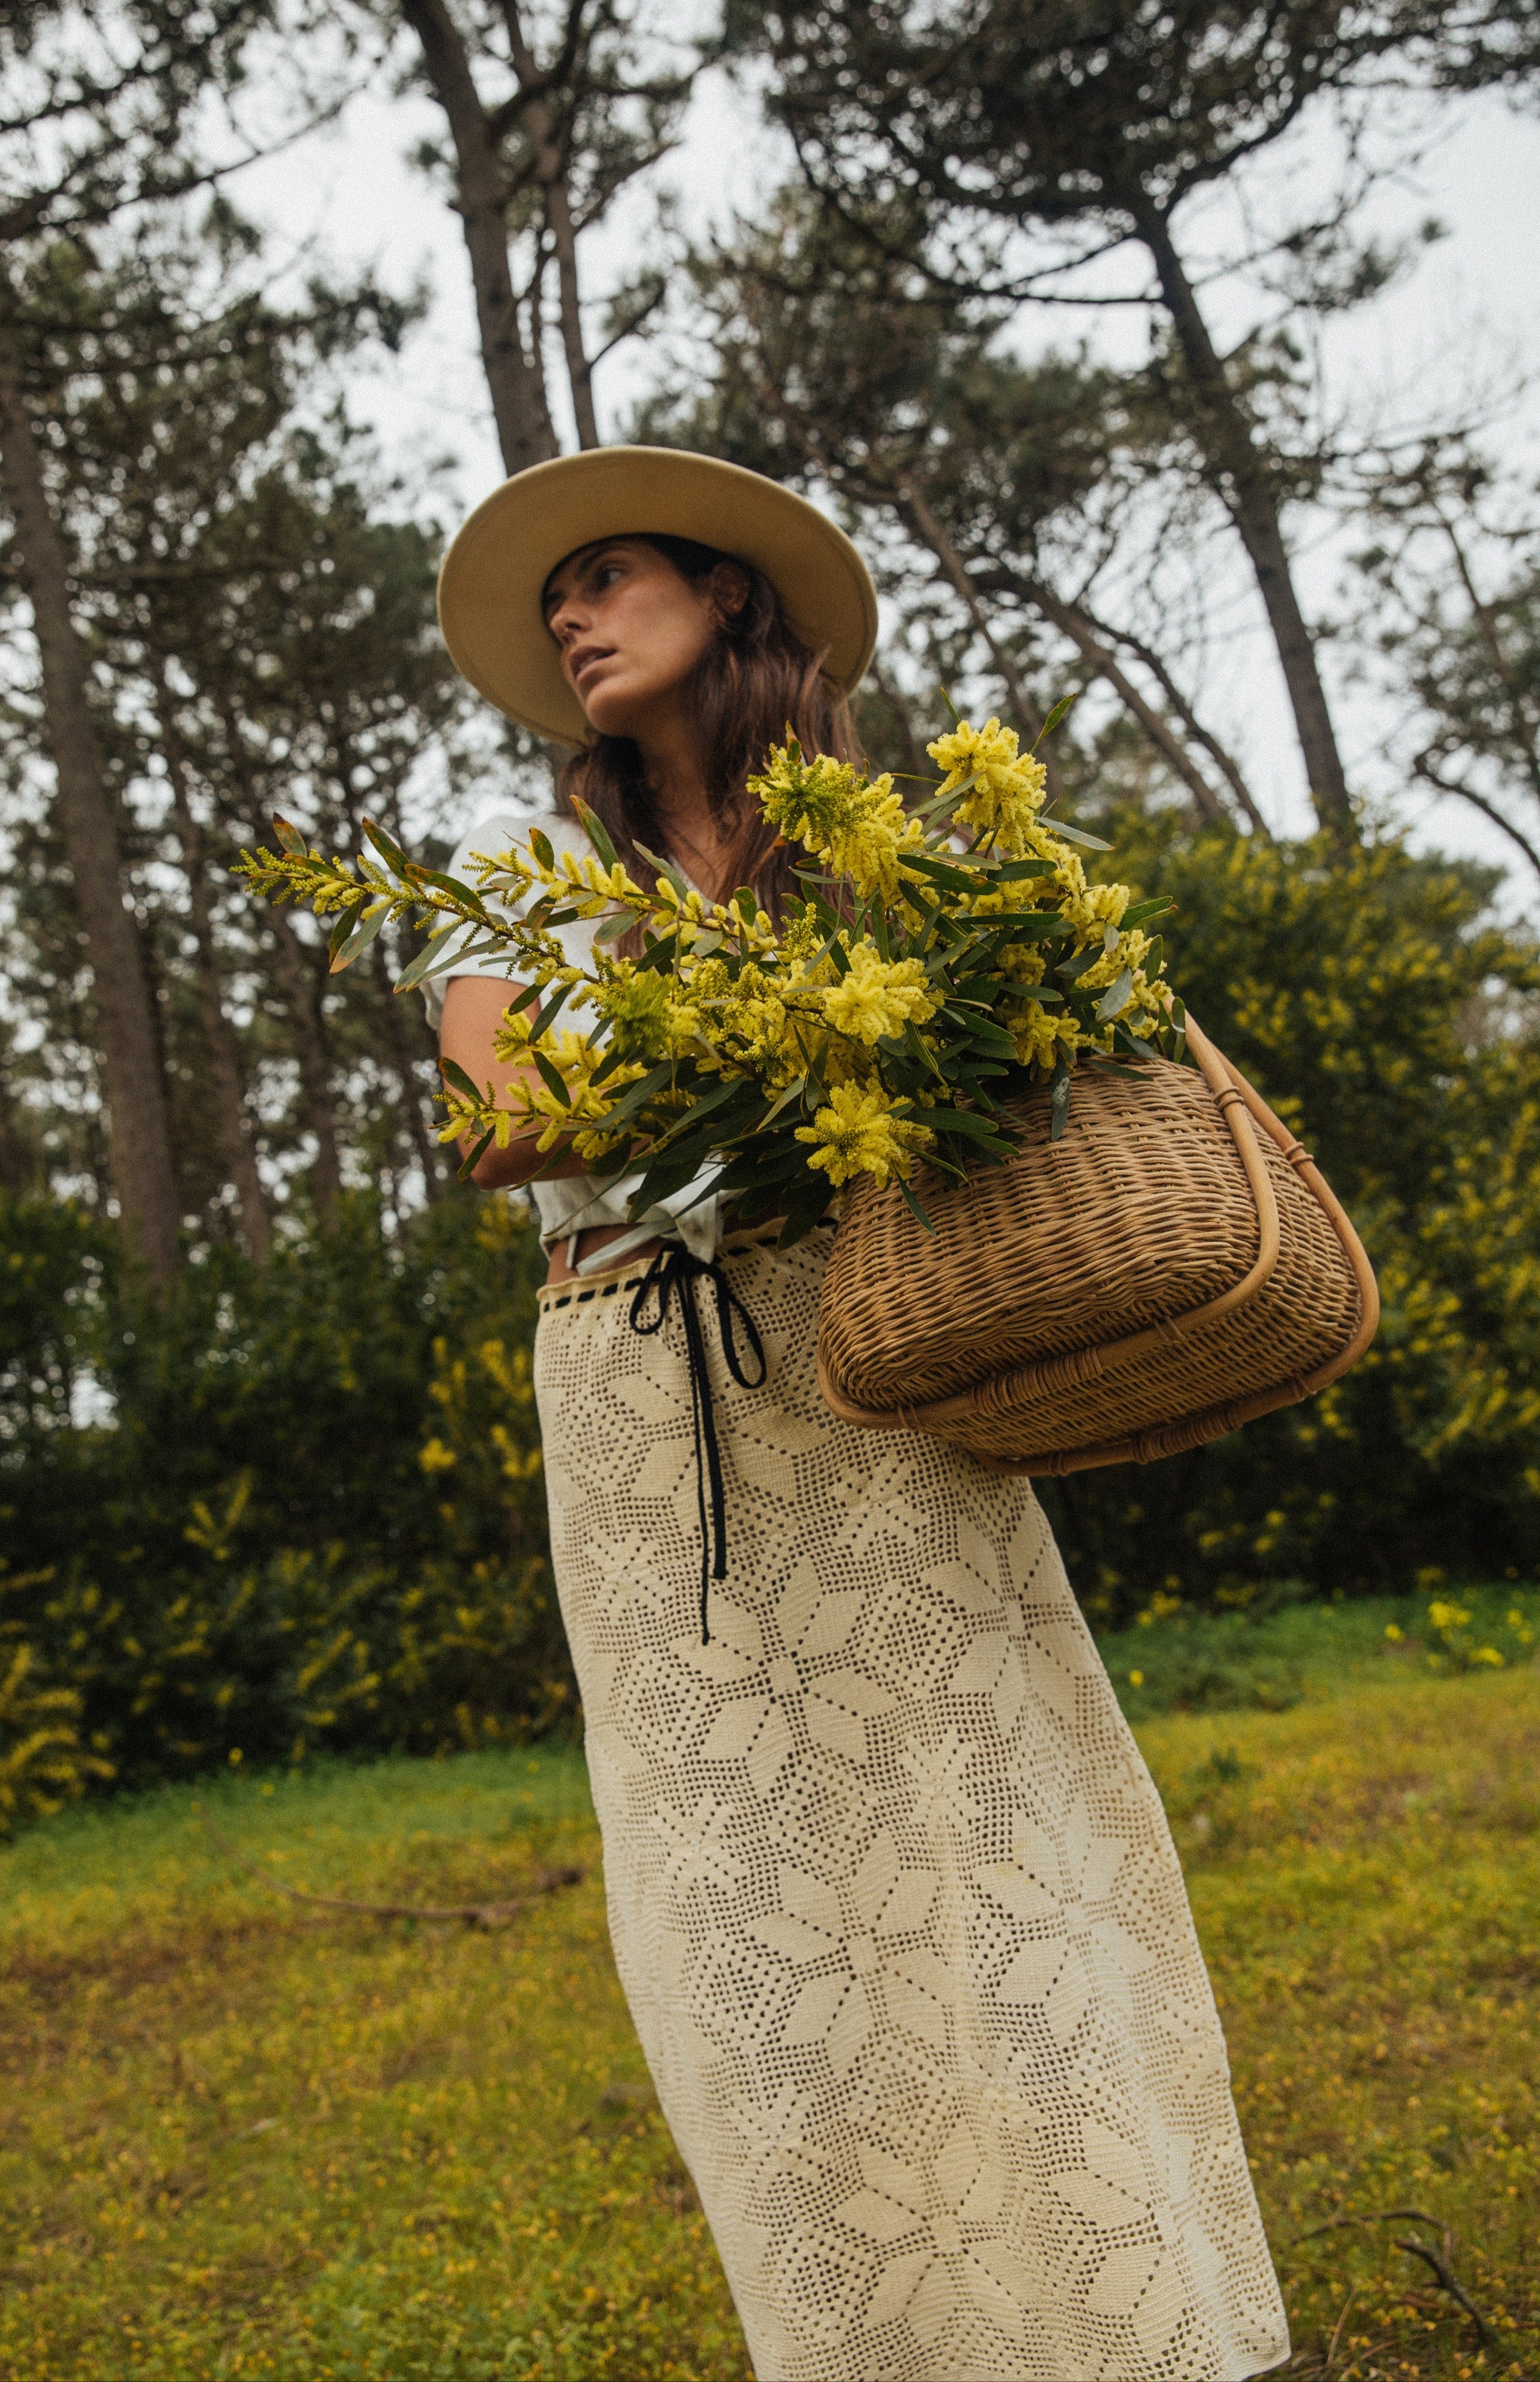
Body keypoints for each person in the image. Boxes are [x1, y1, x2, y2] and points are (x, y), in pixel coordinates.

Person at [426, 446, 1289, 2382]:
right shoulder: (524, 878)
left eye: (613, 575)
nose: (573, 617)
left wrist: (954, 1022)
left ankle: (1137, 2327)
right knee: (754, 1880)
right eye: (555, 599)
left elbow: (1030, 1078)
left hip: (881, 1363)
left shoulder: (887, 856)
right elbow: (503, 1124)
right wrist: (795, 1038)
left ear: (730, 598)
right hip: (653, 1407)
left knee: (990, 1818)